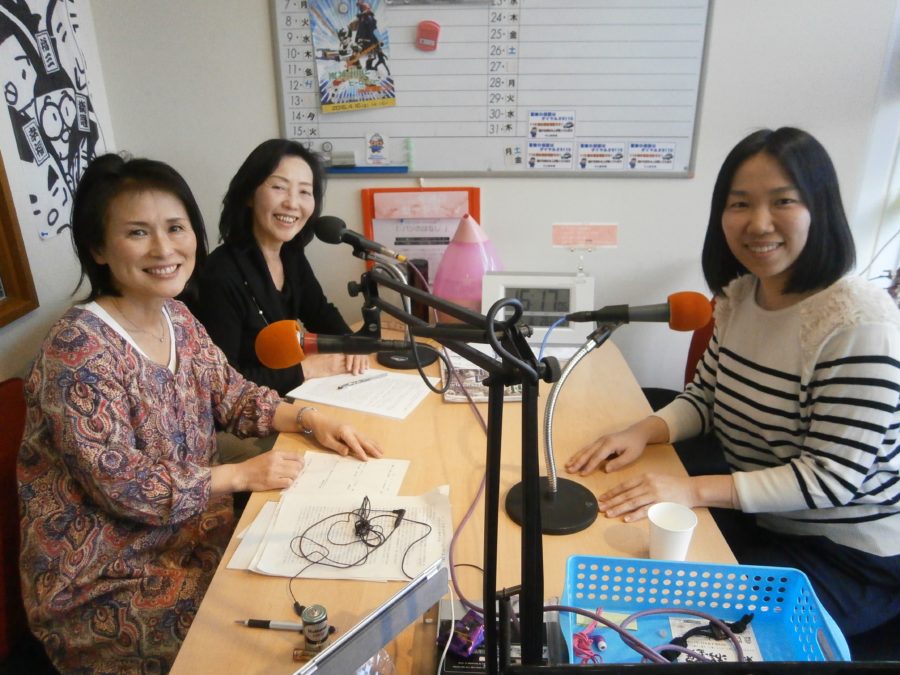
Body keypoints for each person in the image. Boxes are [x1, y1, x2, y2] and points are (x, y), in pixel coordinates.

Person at [17, 153, 382, 673]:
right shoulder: (76, 347)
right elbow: (122, 484)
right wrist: (242, 475)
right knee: (279, 645)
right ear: (98, 248)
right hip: (107, 580)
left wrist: (311, 420)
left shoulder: (178, 317)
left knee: (327, 582)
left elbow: (234, 394)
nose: (164, 249)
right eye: (138, 233)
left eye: (175, 228)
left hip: (195, 538)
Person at [565, 127, 900, 638]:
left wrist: (690, 489)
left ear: (821, 209)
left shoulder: (859, 324)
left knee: (681, 631)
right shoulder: (741, 297)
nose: (758, 223)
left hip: (850, 556)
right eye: (740, 203)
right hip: (764, 517)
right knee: (623, 558)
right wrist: (641, 431)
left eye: (783, 201)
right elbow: (705, 397)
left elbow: (829, 479)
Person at [191, 139, 368, 398]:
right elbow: (223, 383)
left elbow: (320, 313)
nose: (292, 203)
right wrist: (305, 370)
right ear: (249, 194)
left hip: (287, 395)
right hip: (247, 412)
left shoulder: (291, 255)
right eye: (279, 187)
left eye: (304, 192)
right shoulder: (221, 274)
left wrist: (352, 345)